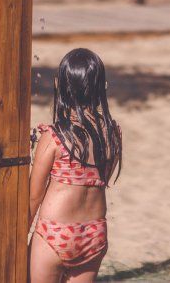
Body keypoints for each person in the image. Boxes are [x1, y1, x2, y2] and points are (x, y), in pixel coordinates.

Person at [29, 48, 122, 283]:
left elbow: (34, 196)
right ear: (103, 86)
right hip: (93, 232)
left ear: (59, 85)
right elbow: (103, 177)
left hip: (55, 232)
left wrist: (18, 236)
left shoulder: (54, 136)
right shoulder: (113, 133)